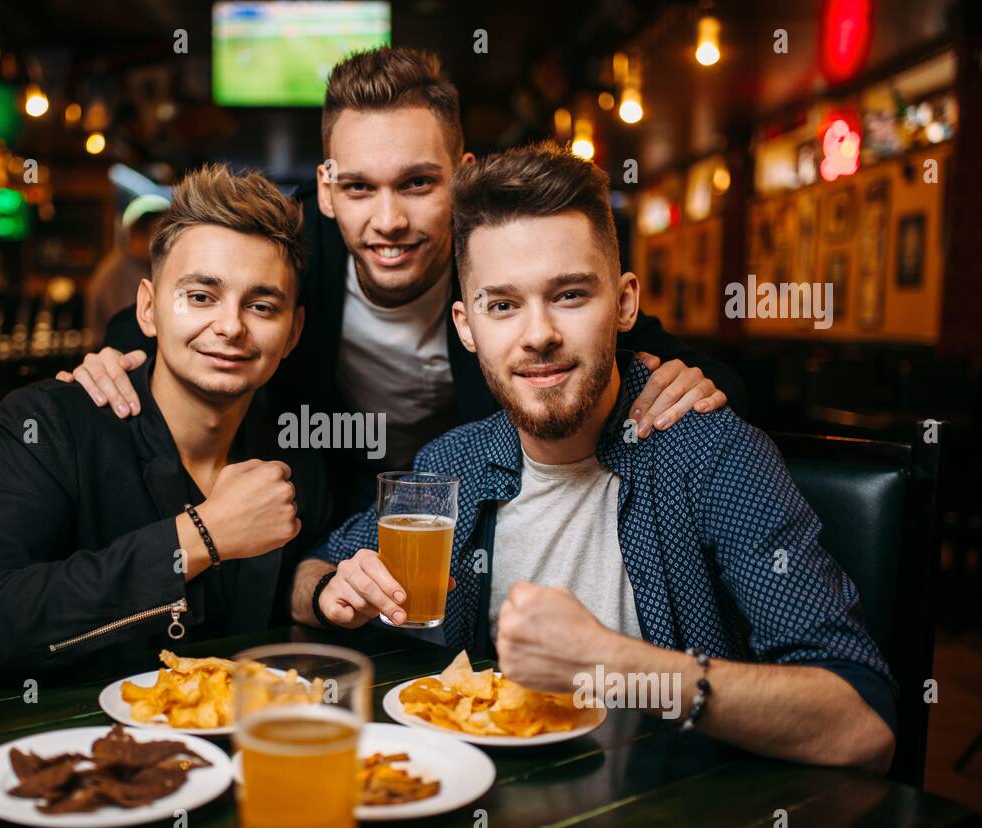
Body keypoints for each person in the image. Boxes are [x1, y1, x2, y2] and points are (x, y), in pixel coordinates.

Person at [298, 142, 896, 772]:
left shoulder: (711, 455)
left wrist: (618, 665)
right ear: (466, 325)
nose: (538, 335)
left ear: (625, 303)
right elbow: (314, 574)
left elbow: (863, 724)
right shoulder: (456, 462)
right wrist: (332, 589)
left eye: (570, 295)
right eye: (502, 305)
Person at [58, 48, 742, 523]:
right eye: (359, 187)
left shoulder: (501, 255)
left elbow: (644, 345)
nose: (388, 221)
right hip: (326, 508)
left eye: (417, 183)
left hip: (485, 503)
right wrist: (110, 358)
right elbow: (176, 313)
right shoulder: (289, 250)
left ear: (463, 177)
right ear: (326, 189)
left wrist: (700, 379)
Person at [0, 166, 328, 680]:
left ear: (292, 333)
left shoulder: (294, 462)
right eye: (200, 297)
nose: (229, 326)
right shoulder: (47, 424)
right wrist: (198, 538)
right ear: (148, 310)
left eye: (262, 305)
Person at [83, 193, 169, 342]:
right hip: (116, 357)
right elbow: (128, 327)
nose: (165, 245)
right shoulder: (116, 272)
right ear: (139, 236)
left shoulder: (138, 267)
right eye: (159, 236)